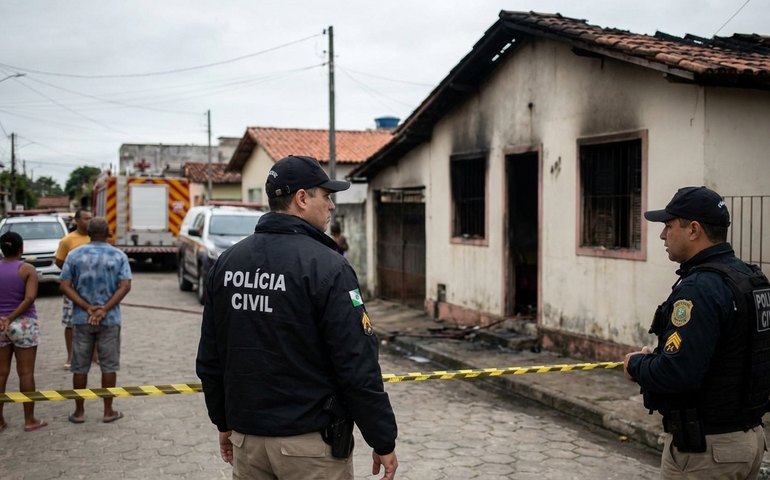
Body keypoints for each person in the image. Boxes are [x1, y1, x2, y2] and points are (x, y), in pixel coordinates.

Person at [197, 155, 398, 480]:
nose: (332, 206)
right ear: (302, 198)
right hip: (309, 448)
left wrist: (224, 422)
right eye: (327, 196)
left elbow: (210, 358)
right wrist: (382, 438)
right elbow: (357, 366)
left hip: (248, 442)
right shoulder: (329, 267)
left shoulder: (228, 262)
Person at [624, 186, 769, 479]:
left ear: (693, 230)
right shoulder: (749, 280)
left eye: (668, 226)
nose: (662, 236)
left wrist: (635, 365)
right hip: (748, 440)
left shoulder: (700, 288)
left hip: (707, 451)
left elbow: (677, 374)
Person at [60, 217, 132, 424]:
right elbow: (125, 286)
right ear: (108, 232)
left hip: (82, 319)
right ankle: (108, 411)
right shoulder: (118, 256)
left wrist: (87, 307)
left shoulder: (74, 255)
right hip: (110, 319)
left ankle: (79, 412)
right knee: (109, 366)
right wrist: (104, 309)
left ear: (88, 233)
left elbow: (64, 286)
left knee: (79, 366)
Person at [0, 232, 48, 433]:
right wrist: (11, 317)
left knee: (1, 373)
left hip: (0, 325)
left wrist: (3, 318)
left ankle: (0, 421)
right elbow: (29, 298)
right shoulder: (27, 269)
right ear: (21, 249)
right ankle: (30, 420)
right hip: (24, 324)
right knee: (26, 372)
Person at [55, 208, 92, 369]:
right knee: (70, 323)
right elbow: (59, 261)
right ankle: (71, 356)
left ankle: (94, 354)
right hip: (73, 289)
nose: (89, 221)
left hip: (93, 289)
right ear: (76, 221)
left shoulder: (96, 238)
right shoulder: (67, 240)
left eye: (91, 218)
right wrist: (73, 274)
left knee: (94, 320)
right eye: (85, 218)